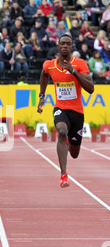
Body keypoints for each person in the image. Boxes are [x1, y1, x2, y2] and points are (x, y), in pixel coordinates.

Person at [37, 34, 94, 188]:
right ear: (58, 46)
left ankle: (70, 141)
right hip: (60, 108)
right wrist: (42, 96)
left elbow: (91, 89)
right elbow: (44, 75)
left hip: (77, 112)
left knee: (74, 154)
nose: (65, 47)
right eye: (62, 44)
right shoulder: (50, 65)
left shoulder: (80, 64)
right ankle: (63, 175)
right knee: (61, 131)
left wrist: (74, 72)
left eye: (68, 44)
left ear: (72, 46)